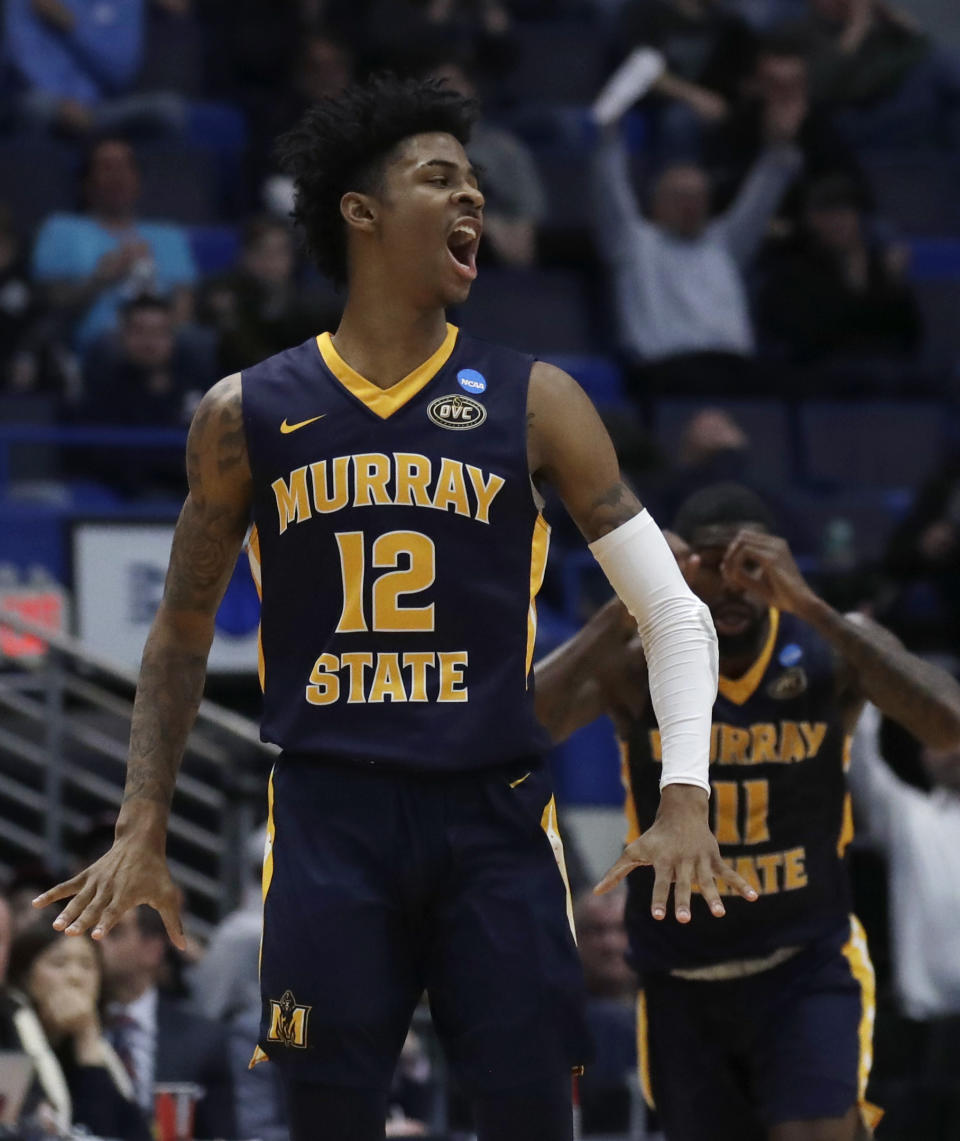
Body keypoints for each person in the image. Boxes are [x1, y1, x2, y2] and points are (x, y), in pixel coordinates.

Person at [34, 75, 757, 1141]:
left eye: (473, 184)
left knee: (528, 1115)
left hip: (492, 815)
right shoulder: (244, 412)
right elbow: (182, 634)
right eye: (440, 180)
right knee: (326, 1118)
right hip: (331, 815)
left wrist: (687, 794)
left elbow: (675, 611)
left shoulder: (537, 398)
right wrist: (143, 819)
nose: (471, 201)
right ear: (360, 214)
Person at [535, 481, 960, 1141]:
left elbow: (949, 724)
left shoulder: (828, 652)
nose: (732, 584)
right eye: (710, 563)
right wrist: (624, 608)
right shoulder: (643, 659)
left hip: (800, 966)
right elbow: (519, 726)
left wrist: (815, 606)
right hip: (681, 980)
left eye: (749, 564)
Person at [591, 49, 803, 397]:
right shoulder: (632, 241)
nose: (691, 206)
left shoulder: (724, 243)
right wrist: (611, 123)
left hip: (736, 370)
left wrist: (780, 142)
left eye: (698, 197)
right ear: (656, 203)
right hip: (667, 372)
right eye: (679, 197)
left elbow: (768, 185)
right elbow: (607, 183)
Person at [31, 136, 197, 352]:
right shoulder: (61, 229)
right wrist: (100, 280)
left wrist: (157, 338)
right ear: (87, 182)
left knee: (198, 345)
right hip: (101, 340)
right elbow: (50, 302)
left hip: (166, 339)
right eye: (107, 168)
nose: (117, 177)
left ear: (138, 180)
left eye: (125, 167)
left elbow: (184, 301)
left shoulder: (168, 235)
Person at [99, 905, 237, 1140]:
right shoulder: (70, 1031)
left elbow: (223, 1133)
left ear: (152, 949)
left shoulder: (204, 1039)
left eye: (115, 933)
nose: (97, 942)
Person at [3, 922, 151, 1141]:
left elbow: (132, 1134)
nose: (75, 977)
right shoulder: (6, 1031)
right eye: (59, 963)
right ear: (26, 976)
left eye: (87, 965)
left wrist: (87, 1039)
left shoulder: (98, 1042)